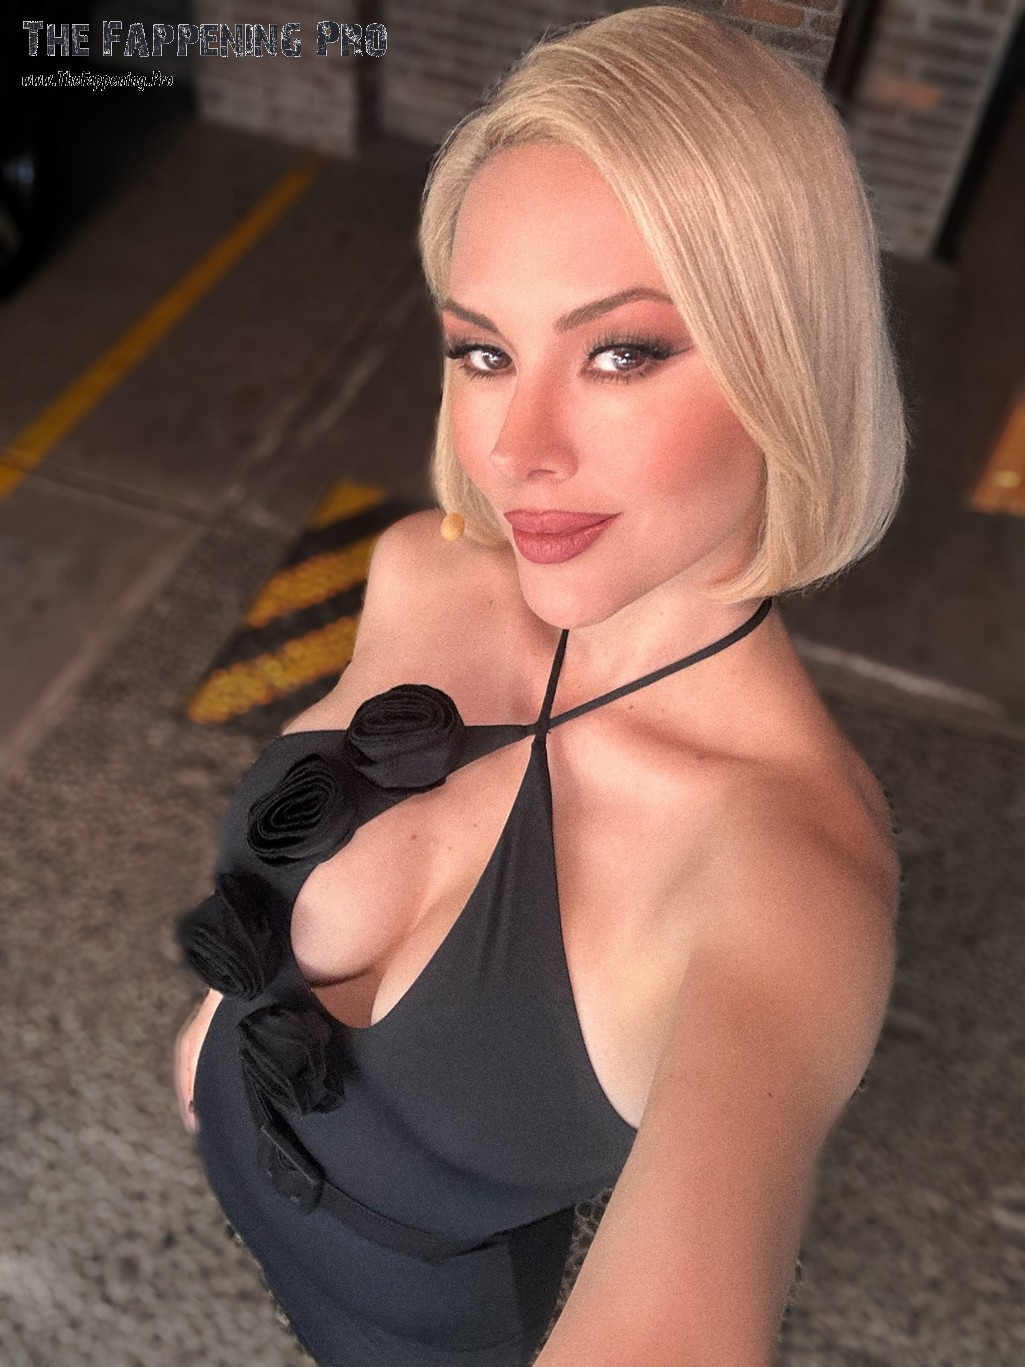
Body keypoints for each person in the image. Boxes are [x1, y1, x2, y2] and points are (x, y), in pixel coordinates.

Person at [172, 6, 906, 1364]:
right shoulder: (425, 568)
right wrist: (211, 1033)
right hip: (240, 1162)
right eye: (484, 352)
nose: (517, 450)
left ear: (791, 363)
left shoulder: (786, 882)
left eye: (621, 352)